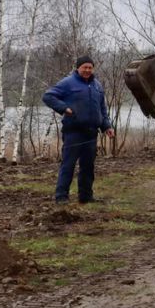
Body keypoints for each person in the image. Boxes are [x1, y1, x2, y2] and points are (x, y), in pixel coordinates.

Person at [42, 56, 115, 204]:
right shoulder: (68, 83)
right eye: (84, 67)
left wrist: (106, 126)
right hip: (73, 132)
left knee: (88, 167)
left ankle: (86, 196)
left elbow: (102, 109)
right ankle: (61, 196)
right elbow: (48, 96)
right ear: (78, 68)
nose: (87, 70)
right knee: (68, 165)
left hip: (91, 133)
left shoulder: (97, 86)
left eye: (90, 67)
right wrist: (64, 108)